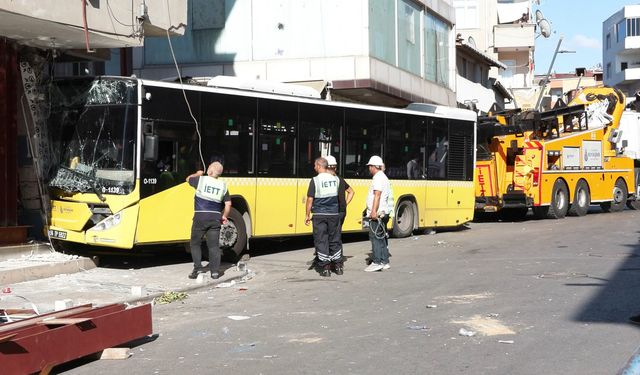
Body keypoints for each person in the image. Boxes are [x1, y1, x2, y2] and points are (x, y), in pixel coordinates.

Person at [186, 160, 231, 280]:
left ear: (210, 171)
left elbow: (188, 179)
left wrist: (198, 173)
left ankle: (197, 269)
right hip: (215, 218)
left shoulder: (201, 180)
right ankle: (215, 272)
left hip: (200, 218)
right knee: (214, 246)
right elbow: (228, 204)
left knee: (195, 243)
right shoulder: (223, 185)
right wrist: (224, 216)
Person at [305, 157, 342, 277]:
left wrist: (307, 214)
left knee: (321, 240)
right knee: (334, 239)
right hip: (334, 214)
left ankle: (326, 267)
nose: (314, 167)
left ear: (320, 166)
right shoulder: (335, 179)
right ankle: (338, 266)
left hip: (320, 215)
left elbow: (310, 199)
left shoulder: (315, 180)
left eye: (315, 165)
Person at [364, 155, 393, 272]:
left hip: (378, 212)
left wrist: (373, 211)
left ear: (374, 167)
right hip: (384, 211)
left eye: (370, 166)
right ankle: (385, 261)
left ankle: (377, 262)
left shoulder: (377, 178)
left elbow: (377, 195)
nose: (369, 168)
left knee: (375, 237)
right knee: (381, 237)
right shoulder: (384, 177)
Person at [325, 155, 355, 228]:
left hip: (332, 212)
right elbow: (351, 192)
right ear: (335, 167)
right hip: (341, 211)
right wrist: (345, 203)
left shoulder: (326, 180)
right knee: (336, 234)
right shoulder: (340, 179)